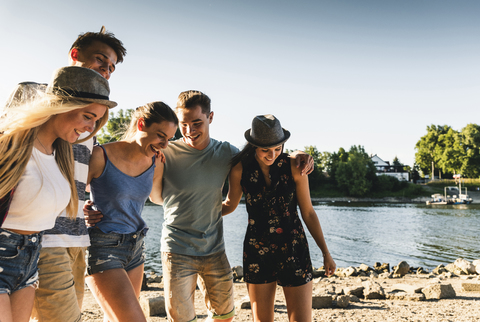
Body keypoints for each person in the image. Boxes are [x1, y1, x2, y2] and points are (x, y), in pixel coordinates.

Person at [148, 90, 314, 322]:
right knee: (181, 318)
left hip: (214, 248)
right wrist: (155, 169)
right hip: (177, 247)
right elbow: (156, 198)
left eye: (197, 123)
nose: (189, 130)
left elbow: (267, 153)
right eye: (184, 124)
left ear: (211, 117)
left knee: (224, 315)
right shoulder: (167, 151)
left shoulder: (227, 153)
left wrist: (300, 153)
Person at [4, 26, 127, 322]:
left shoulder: (93, 116)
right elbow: (15, 154)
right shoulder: (34, 96)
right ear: (75, 55)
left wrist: (83, 203)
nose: (106, 70)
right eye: (101, 60)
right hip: (39, 234)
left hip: (74, 234)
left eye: (111, 67)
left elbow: (74, 175)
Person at [222, 114, 336, 322]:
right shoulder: (240, 168)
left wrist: (326, 253)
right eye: (266, 149)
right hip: (257, 250)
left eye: (278, 148)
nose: (272, 154)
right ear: (254, 145)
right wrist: (197, 211)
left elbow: (308, 212)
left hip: (294, 248)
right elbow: (230, 204)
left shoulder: (295, 166)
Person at [85, 101, 178, 322]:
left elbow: (158, 198)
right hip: (104, 245)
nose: (164, 144)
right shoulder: (100, 155)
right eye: (160, 136)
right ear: (142, 123)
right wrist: (83, 210)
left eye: (169, 139)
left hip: (136, 246)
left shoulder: (157, 161)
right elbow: (70, 195)